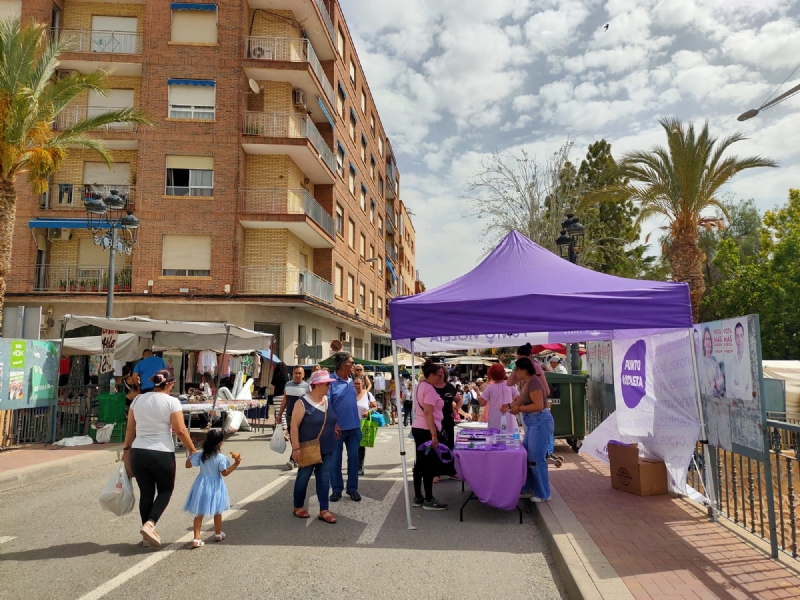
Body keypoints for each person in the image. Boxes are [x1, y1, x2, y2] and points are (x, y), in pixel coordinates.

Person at [123, 370, 196, 547]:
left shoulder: (138, 399)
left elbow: (130, 429)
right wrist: (192, 450)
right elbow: (180, 430)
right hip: (161, 452)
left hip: (139, 451)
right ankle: (150, 524)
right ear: (170, 384)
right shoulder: (172, 402)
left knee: (146, 493)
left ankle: (146, 536)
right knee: (165, 490)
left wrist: (126, 450)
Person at [290, 369, 340, 524]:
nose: (329, 387)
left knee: (324, 478)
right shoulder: (302, 402)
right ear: (317, 385)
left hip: (328, 446)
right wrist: (296, 448)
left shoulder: (326, 400)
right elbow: (294, 426)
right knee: (303, 477)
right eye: (327, 384)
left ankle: (324, 510)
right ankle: (298, 506)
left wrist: (334, 427)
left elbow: (330, 418)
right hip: (308, 448)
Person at [183, 429, 241, 548]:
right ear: (220, 444)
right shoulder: (221, 458)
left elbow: (187, 465)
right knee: (217, 511)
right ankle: (218, 534)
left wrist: (191, 455)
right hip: (215, 485)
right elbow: (224, 473)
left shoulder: (201, 455)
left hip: (201, 484)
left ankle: (196, 538)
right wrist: (236, 463)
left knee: (199, 513)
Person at [510, 358, 553, 503]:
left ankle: (543, 493)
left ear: (523, 370)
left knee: (536, 458)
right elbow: (520, 400)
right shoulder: (528, 383)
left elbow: (538, 405)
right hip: (534, 423)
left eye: (516, 370)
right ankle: (529, 487)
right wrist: (509, 406)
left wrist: (519, 409)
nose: (515, 373)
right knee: (527, 455)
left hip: (539, 422)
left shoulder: (534, 383)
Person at [411, 359, 448, 511]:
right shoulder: (430, 390)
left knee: (420, 463)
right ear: (431, 375)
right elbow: (428, 412)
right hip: (426, 430)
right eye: (438, 376)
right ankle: (428, 499)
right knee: (428, 464)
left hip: (419, 428)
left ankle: (418, 496)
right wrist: (434, 434)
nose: (440, 379)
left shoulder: (421, 386)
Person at [328, 352, 362, 502]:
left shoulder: (351, 380)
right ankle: (336, 489)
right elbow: (326, 405)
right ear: (343, 365)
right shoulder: (330, 381)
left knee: (354, 460)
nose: (354, 365)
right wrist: (334, 423)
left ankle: (352, 489)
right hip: (337, 429)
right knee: (335, 461)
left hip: (354, 428)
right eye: (351, 362)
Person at [278, 365, 311, 470]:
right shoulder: (288, 385)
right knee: (293, 438)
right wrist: (279, 414)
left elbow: (310, 402)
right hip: (290, 416)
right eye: (296, 373)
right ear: (292, 374)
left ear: (303, 374)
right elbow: (285, 400)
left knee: (301, 438)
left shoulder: (307, 387)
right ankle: (296, 458)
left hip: (303, 417)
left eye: (299, 373)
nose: (297, 375)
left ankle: (293, 459)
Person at [433, 373, 462, 481]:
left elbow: (459, 400)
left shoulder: (450, 386)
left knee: (449, 445)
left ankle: (451, 471)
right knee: (436, 445)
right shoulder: (431, 387)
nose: (440, 376)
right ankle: (436, 473)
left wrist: (456, 410)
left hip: (448, 420)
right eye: (438, 374)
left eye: (442, 374)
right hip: (435, 420)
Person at [479, 363, 519, 431]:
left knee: (495, 439)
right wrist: (510, 405)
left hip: (495, 419)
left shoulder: (490, 388)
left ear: (491, 375)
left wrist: (478, 395)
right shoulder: (509, 385)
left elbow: (482, 403)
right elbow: (518, 398)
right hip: (509, 417)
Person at [354, 376, 377, 476]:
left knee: (361, 446)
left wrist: (368, 411)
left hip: (363, 424)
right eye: (355, 383)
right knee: (351, 447)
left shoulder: (367, 394)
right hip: (351, 423)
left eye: (359, 383)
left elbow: (375, 407)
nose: (357, 385)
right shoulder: (350, 394)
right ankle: (353, 466)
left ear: (363, 384)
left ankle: (360, 467)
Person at [728, 322, 751, 400]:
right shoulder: (733, 361)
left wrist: (737, 388)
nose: (739, 340)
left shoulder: (749, 360)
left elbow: (749, 391)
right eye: (737, 336)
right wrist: (743, 389)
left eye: (741, 336)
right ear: (734, 339)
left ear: (744, 337)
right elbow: (731, 388)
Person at [700, 327, 724, 397]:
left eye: (709, 339)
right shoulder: (702, 362)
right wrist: (716, 387)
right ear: (703, 343)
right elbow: (708, 391)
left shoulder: (714, 359)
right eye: (706, 339)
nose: (708, 342)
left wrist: (715, 384)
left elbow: (722, 382)